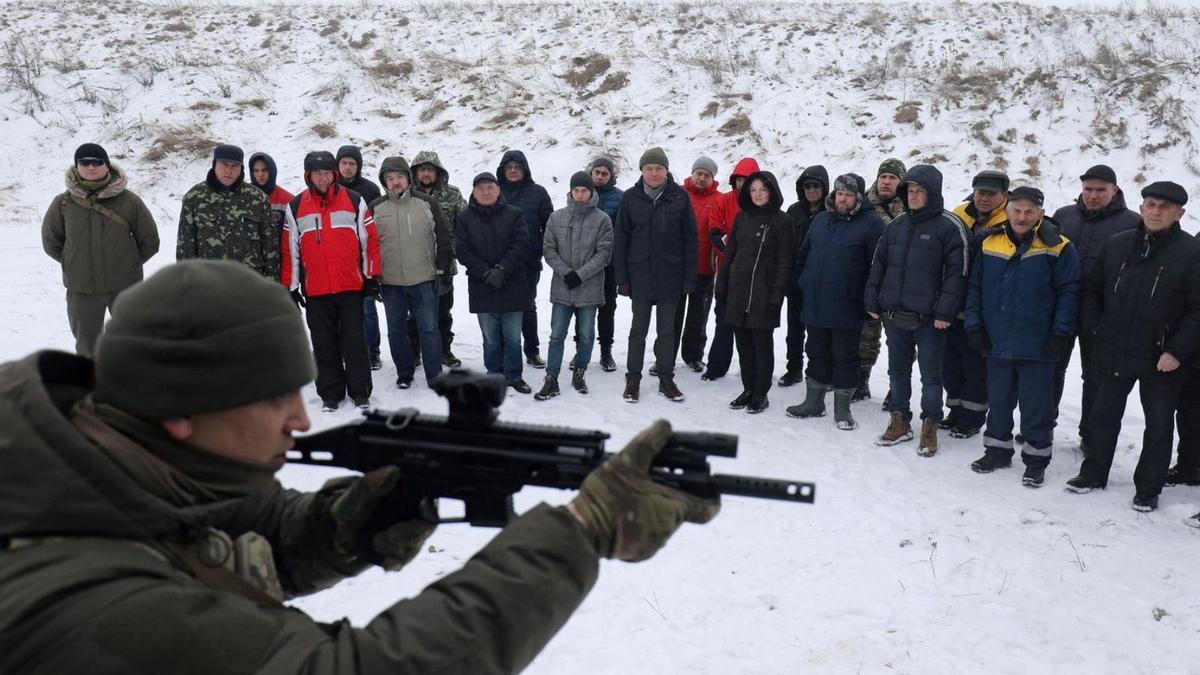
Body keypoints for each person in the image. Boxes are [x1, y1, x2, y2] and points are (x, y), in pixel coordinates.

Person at [0, 259, 718, 674]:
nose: (302, 418)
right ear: (180, 407)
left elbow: (199, 524)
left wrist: (338, 528)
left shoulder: (84, 448)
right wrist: (582, 530)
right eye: (277, 394)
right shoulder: (93, 603)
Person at [1067, 182, 1200, 512]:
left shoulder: (1190, 252)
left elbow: (1198, 310)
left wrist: (1177, 352)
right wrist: (1096, 329)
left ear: (1179, 213)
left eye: (1164, 207)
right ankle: (1094, 473)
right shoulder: (1118, 244)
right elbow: (1093, 290)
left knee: (1158, 425)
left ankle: (1148, 488)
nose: (1156, 211)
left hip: (1162, 357)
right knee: (1103, 416)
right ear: (1141, 208)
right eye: (1151, 204)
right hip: (1115, 347)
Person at [965, 187, 1080, 488]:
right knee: (999, 401)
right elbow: (974, 289)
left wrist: (1060, 333)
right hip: (997, 340)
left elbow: (1070, 294)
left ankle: (1036, 460)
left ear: (1040, 214)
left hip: (1038, 343)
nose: (1022, 217)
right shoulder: (990, 242)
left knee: (1036, 406)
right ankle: (997, 451)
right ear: (1008, 210)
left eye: (1030, 211)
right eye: (1017, 210)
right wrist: (975, 326)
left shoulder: (1059, 247)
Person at [864, 164, 968, 457]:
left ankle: (930, 424)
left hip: (930, 320)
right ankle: (899, 420)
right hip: (896, 315)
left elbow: (956, 275)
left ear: (932, 193)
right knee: (897, 372)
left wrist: (945, 313)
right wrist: (873, 301)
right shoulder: (897, 225)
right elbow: (879, 265)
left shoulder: (950, 227)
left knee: (931, 377)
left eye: (919, 190)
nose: (913, 195)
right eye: (909, 190)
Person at [282, 151, 381, 412]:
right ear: (309, 176)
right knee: (324, 345)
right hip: (316, 290)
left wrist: (370, 276)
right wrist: (291, 287)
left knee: (354, 342)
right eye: (318, 173)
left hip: (350, 286)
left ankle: (360, 392)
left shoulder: (354, 200)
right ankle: (330, 393)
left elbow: (370, 240)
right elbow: (289, 250)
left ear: (334, 174)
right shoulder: (295, 206)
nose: (323, 178)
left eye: (327, 173)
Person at [1050, 164, 1140, 449]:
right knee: (1051, 369)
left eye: (1101, 190)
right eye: (1088, 189)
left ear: (1115, 190)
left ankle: (1090, 433)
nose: (1093, 195)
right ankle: (1040, 424)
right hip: (1061, 308)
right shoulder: (1063, 216)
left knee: (1095, 375)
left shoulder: (1132, 222)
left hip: (1103, 312)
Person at [42, 143, 160, 357]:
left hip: (125, 287)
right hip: (82, 290)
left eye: (97, 162)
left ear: (107, 166)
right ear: (77, 167)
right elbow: (51, 242)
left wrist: (128, 265)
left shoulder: (129, 201)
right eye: (84, 162)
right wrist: (73, 262)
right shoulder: (63, 203)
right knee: (87, 349)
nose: (91, 167)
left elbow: (150, 241)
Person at [786, 174, 884, 430]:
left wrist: (870, 299)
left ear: (858, 198)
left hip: (848, 304)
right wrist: (800, 283)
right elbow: (804, 254)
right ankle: (813, 402)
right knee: (815, 351)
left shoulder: (871, 224)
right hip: (816, 301)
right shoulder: (820, 219)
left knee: (845, 357)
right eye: (840, 193)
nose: (842, 198)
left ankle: (842, 409)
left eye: (848, 195)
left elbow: (878, 266)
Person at [613, 147, 698, 403]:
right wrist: (622, 278)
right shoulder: (630, 198)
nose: (653, 173)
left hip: (670, 275)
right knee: (638, 330)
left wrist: (689, 276)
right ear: (641, 170)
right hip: (639, 274)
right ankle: (633, 378)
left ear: (666, 171)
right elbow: (621, 239)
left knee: (666, 331)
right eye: (649, 168)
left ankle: (665, 378)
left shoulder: (680, 197)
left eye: (658, 168)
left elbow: (690, 239)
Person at [715, 171, 795, 414]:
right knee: (743, 344)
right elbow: (730, 253)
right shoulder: (742, 217)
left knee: (762, 345)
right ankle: (748, 388)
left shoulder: (782, 222)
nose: (758, 194)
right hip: (738, 291)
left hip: (764, 294)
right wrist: (722, 283)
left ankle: (761, 393)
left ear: (771, 191)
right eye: (753, 190)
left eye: (763, 189)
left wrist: (776, 296)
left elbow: (785, 262)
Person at [369, 156, 452, 388]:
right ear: (384, 181)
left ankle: (435, 375)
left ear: (408, 178)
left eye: (400, 177)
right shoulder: (376, 207)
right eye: (390, 178)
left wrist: (442, 269)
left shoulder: (426, 203)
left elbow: (443, 237)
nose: (396, 182)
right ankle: (404, 372)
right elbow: (368, 244)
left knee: (429, 329)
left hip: (424, 278)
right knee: (396, 331)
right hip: (391, 281)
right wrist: (373, 277)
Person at [943, 170, 1010, 439]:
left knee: (976, 366)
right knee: (951, 363)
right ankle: (955, 410)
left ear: (1003, 196)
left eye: (991, 194)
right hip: (952, 301)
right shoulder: (959, 211)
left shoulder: (1011, 220)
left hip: (984, 306)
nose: (984, 198)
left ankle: (972, 418)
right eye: (980, 192)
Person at [535, 172, 614, 400]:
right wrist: (566, 273)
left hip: (589, 288)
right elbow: (548, 249)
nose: (580, 195)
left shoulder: (602, 219)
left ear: (591, 192)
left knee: (586, 334)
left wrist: (579, 275)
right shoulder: (556, 218)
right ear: (571, 192)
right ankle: (551, 378)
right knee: (557, 335)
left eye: (584, 191)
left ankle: (580, 371)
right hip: (562, 288)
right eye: (576, 190)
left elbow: (604, 254)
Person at [456, 172, 534, 394]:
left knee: (512, 338)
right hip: (482, 285)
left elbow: (521, 244)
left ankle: (514, 376)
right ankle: (494, 375)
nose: (486, 192)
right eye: (480, 188)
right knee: (490, 338)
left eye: (490, 187)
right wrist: (485, 272)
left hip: (513, 283)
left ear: (499, 190)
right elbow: (462, 250)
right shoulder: (464, 217)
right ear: (473, 192)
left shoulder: (514, 214)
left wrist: (502, 269)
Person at [177, 143, 278, 280]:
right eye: (224, 165)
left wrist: (271, 287)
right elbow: (185, 249)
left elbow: (270, 247)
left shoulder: (258, 199)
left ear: (241, 169)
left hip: (250, 287)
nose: (229, 171)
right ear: (214, 165)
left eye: (234, 166)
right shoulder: (194, 198)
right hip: (207, 285)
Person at [702, 157, 761, 381]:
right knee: (723, 320)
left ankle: (754, 370)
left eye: (747, 180)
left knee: (752, 324)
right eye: (739, 180)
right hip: (727, 271)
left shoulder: (762, 204)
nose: (742, 185)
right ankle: (717, 366)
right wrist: (737, 249)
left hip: (755, 276)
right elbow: (715, 231)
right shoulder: (723, 201)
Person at [496, 150, 554, 368]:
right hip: (499, 262)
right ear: (503, 169)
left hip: (528, 262)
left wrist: (538, 249)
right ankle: (504, 350)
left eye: (517, 167)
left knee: (527, 306)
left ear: (525, 169)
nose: (513, 170)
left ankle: (532, 351)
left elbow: (550, 226)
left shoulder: (538, 193)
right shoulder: (494, 190)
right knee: (501, 307)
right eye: (509, 167)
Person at [409, 150, 467, 368]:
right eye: (422, 169)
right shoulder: (407, 194)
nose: (426, 174)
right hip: (415, 264)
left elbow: (465, 225)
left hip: (445, 264)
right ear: (415, 173)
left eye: (430, 170)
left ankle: (444, 349)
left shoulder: (452, 194)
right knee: (414, 311)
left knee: (443, 310)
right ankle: (414, 349)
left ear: (438, 172)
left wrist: (455, 251)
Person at [855, 158, 907, 403]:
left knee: (898, 339)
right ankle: (861, 381)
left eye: (892, 178)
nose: (886, 182)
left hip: (899, 284)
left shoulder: (911, 206)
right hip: (867, 280)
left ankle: (897, 389)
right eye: (883, 177)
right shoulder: (862, 202)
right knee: (866, 334)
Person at [334, 145, 385, 370]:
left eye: (352, 163)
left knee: (367, 309)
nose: (347, 167)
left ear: (359, 166)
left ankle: (372, 351)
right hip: (337, 258)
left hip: (363, 258)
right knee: (340, 309)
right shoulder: (329, 188)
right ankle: (345, 349)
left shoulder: (370, 189)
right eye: (344, 163)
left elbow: (377, 225)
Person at [777, 164, 829, 387]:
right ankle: (793, 368)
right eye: (807, 186)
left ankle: (818, 373)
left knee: (819, 333)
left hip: (820, 283)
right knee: (794, 331)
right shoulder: (794, 211)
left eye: (815, 186)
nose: (811, 190)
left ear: (824, 188)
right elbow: (784, 245)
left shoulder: (831, 212)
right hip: (796, 281)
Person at [675, 155, 722, 373]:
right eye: (699, 173)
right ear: (692, 174)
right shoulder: (677, 194)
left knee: (698, 316)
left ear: (713, 178)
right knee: (671, 317)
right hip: (678, 268)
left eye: (707, 175)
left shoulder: (719, 200)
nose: (702, 178)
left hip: (705, 269)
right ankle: (664, 355)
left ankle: (693, 355)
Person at [588, 156, 624, 372]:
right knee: (582, 308)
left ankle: (606, 351)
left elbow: (621, 232)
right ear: (591, 173)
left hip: (608, 264)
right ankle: (581, 351)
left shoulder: (620, 198)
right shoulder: (580, 192)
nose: (600, 176)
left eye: (605, 173)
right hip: (583, 264)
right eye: (597, 172)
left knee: (607, 308)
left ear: (611, 175)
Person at [248, 151, 294, 234]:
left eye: (265, 170)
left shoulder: (288, 200)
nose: (260, 174)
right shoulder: (242, 197)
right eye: (256, 170)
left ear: (272, 170)